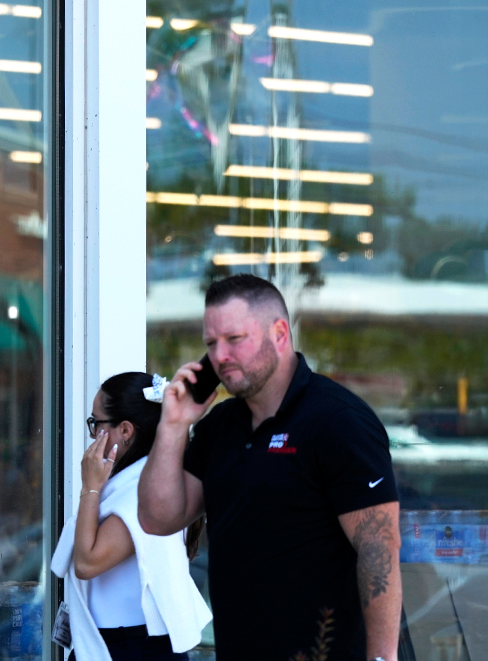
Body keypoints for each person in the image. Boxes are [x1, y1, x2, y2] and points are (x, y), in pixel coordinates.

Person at [138, 274, 401, 661]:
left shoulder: (337, 420)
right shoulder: (219, 427)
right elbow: (158, 518)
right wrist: (174, 424)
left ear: (279, 333)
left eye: (234, 339)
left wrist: (382, 659)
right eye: (211, 343)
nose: (219, 355)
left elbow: (379, 550)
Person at [52, 372, 211, 660]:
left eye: (95, 423)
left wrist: (89, 487)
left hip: (131, 647)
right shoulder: (140, 480)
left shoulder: (145, 490)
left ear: (125, 430)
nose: (91, 434)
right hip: (123, 642)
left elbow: (87, 563)